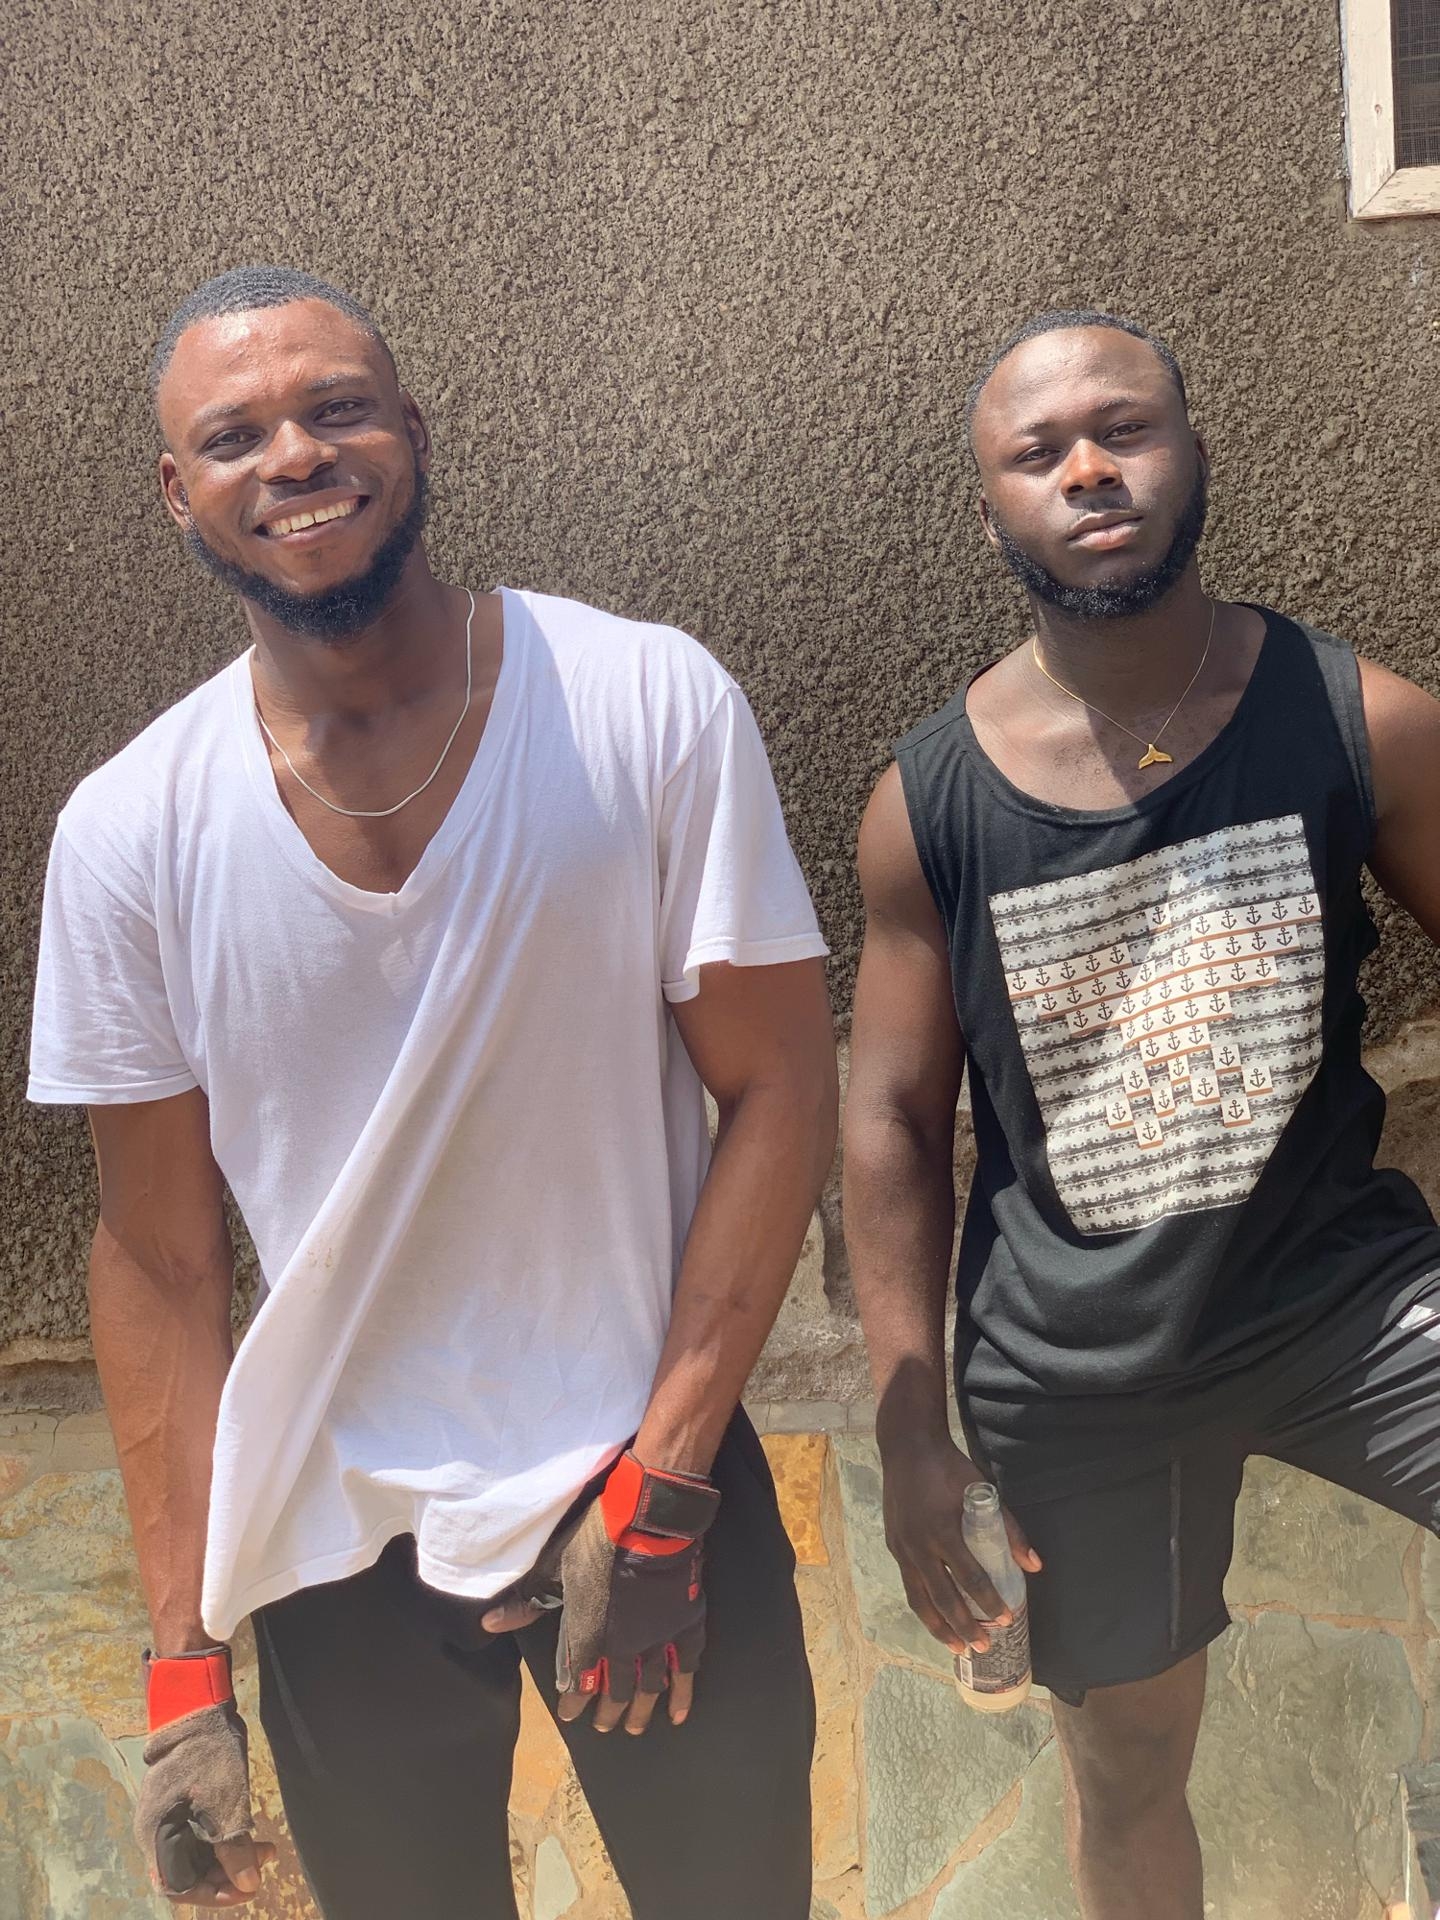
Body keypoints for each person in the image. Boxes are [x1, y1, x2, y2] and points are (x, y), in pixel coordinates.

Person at [28, 265, 837, 1919]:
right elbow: (161, 1261)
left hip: (642, 1471)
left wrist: (668, 1485)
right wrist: (182, 1661)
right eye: (235, 435)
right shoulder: (127, 831)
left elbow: (781, 1091)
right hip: (334, 1540)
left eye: (336, 408)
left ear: (414, 428)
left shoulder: (640, 701)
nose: (294, 455)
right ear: (177, 492)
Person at [843, 308, 1440, 1920]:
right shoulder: (926, 805)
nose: (1089, 469)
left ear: (1192, 453)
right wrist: (908, 1422)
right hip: (1083, 1366)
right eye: (1038, 451)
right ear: (993, 506)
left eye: (1125, 429)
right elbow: (890, 1116)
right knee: (1126, 1771)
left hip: (1341, 1299)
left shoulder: (1357, 720)